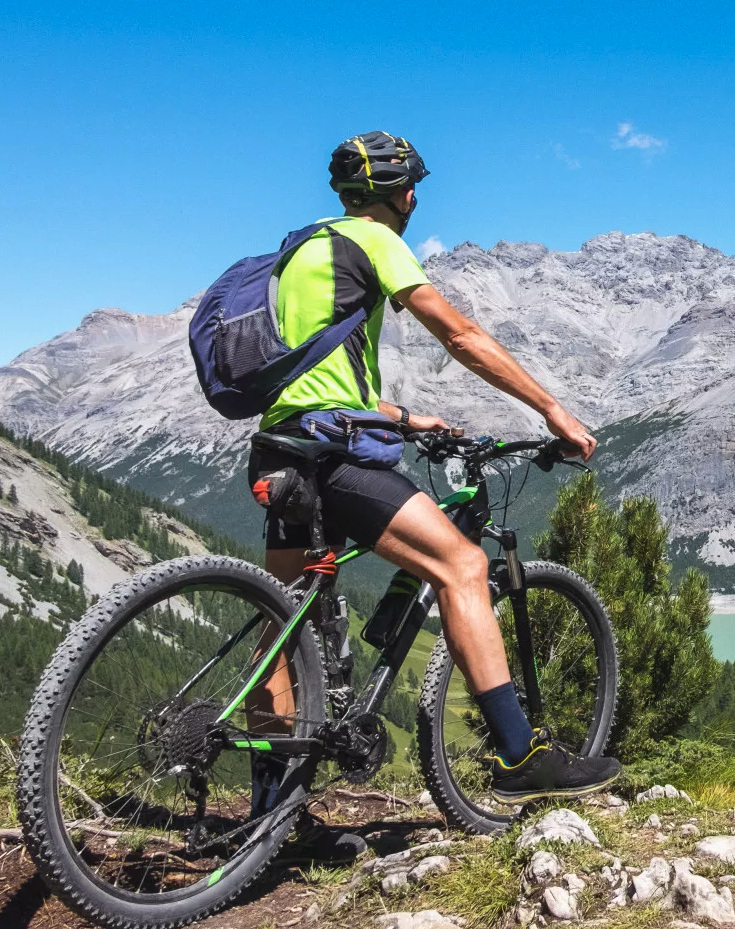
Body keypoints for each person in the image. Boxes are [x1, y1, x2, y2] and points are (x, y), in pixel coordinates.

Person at [245, 132, 620, 858]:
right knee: (463, 566)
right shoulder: (375, 241)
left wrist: (404, 417)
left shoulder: (301, 252)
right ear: (398, 192)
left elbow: (309, 372)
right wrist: (552, 411)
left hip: (281, 449)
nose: (415, 198)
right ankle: (519, 757)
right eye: (413, 186)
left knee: (279, 628)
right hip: (333, 457)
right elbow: (461, 335)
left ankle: (271, 812)